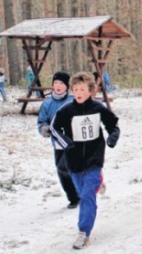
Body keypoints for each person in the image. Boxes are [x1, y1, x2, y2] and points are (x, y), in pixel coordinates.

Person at [50, 71, 120, 249]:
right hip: (73, 161)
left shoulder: (98, 108)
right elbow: (55, 129)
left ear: (90, 91)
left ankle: (84, 232)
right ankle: (99, 183)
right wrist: (67, 143)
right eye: (75, 89)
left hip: (94, 158)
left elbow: (113, 125)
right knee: (83, 193)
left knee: (88, 196)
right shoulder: (66, 110)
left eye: (82, 89)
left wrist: (112, 138)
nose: (78, 92)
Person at [37, 71, 80, 209]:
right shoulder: (47, 104)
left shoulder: (74, 100)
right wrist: (44, 129)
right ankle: (73, 197)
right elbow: (41, 121)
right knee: (62, 170)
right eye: (55, 83)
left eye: (61, 83)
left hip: (76, 141)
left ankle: (82, 192)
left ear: (67, 86)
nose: (58, 86)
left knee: (73, 167)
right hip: (58, 143)